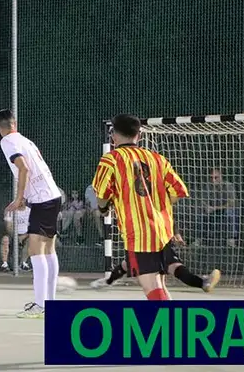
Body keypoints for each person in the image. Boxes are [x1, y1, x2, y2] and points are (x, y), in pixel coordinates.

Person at [91, 114, 221, 299]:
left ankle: (169, 326)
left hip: (137, 233)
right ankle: (200, 284)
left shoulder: (110, 160)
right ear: (140, 135)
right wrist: (156, 205)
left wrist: (104, 209)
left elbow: (102, 195)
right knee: (162, 279)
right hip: (161, 229)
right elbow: (178, 191)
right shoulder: (157, 158)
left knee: (151, 286)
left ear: (113, 136)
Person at [0, 109, 65, 319]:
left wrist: (19, 198)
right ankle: (49, 303)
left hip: (42, 200)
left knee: (36, 251)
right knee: (49, 249)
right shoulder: (27, 141)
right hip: (53, 195)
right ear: (14, 123)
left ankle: (41, 306)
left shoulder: (7, 142)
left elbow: (23, 168)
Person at [0, 205, 31, 273]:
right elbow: (8, 226)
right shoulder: (11, 209)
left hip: (25, 235)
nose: (22, 201)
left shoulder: (29, 211)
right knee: (5, 239)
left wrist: (23, 237)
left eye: (23, 199)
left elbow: (33, 227)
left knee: (31, 240)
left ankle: (23, 263)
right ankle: (4, 264)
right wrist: (15, 237)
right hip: (12, 234)